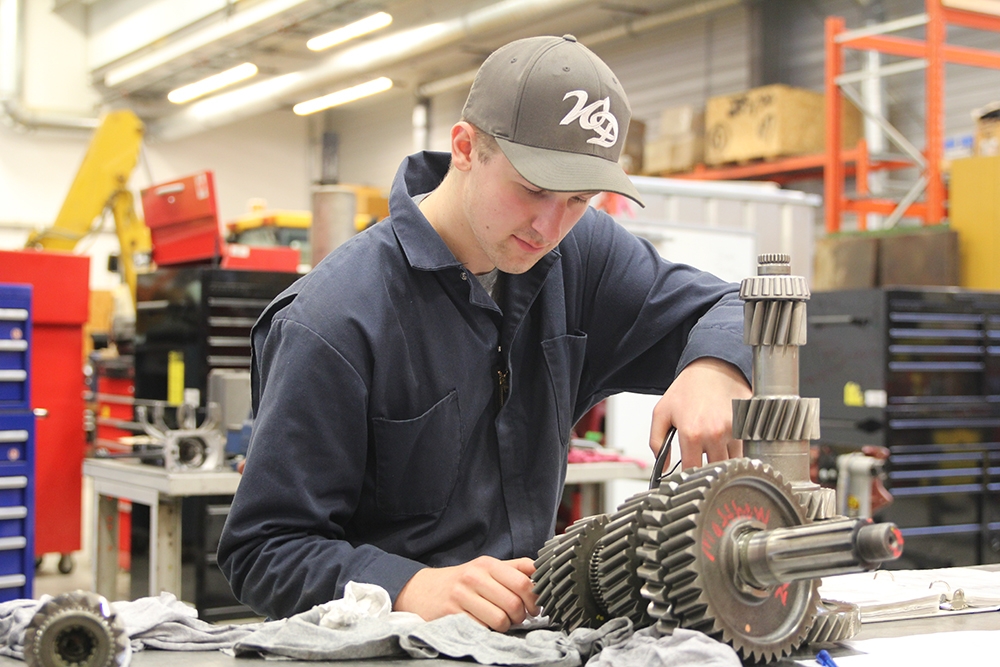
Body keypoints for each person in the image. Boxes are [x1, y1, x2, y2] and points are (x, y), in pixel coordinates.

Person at [218, 34, 751, 633]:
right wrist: (410, 586)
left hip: (531, 637)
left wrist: (716, 367)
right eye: (533, 189)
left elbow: (734, 304)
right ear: (466, 148)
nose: (550, 225)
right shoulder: (334, 320)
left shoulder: (581, 254)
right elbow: (263, 551)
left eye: (578, 198)